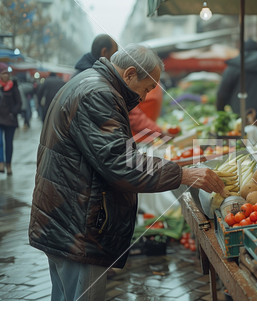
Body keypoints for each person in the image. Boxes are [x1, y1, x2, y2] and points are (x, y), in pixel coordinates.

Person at [28, 44, 225, 301]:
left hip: (66, 217)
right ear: (130, 73)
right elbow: (121, 162)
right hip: (78, 224)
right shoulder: (98, 93)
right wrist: (183, 174)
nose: (143, 98)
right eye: (146, 89)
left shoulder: (89, 82)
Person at [216, 39, 257, 121]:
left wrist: (220, 112)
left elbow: (222, 92)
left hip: (240, 114)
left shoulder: (235, 66)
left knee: (242, 133)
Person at [0, 63, 22, 175]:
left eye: (7, 73)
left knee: (9, 143)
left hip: (10, 119)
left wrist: (13, 112)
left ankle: (8, 164)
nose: (5, 76)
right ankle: (1, 163)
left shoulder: (13, 86)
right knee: (0, 142)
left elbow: (19, 102)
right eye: (3, 73)